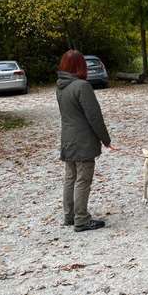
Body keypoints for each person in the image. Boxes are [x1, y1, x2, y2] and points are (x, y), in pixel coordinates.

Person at [56, 50, 113, 232]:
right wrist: (106, 139)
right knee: (82, 180)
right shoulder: (82, 86)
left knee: (70, 178)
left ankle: (69, 216)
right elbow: (94, 116)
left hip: (68, 139)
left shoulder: (60, 87)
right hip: (83, 141)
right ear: (80, 66)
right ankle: (81, 219)